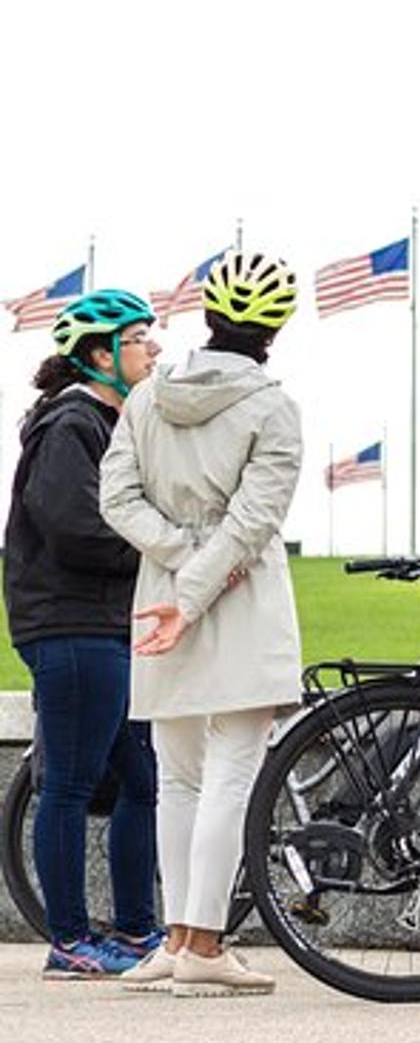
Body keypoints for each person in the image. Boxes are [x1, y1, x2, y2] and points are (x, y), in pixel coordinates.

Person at [100, 251, 305, 998]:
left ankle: (176, 937)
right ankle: (205, 941)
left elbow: (116, 499)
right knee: (230, 775)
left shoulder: (148, 396)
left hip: (160, 594)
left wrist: (179, 568)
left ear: (208, 313)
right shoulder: (273, 406)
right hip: (236, 600)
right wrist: (200, 583)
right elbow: (254, 520)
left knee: (178, 778)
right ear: (276, 326)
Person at [5, 290, 164, 978]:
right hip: (71, 625)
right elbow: (76, 528)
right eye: (139, 339)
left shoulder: (110, 421)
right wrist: (160, 549)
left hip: (105, 625)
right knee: (67, 786)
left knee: (142, 781)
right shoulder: (71, 422)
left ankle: (135, 931)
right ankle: (69, 940)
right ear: (102, 355)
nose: (154, 348)